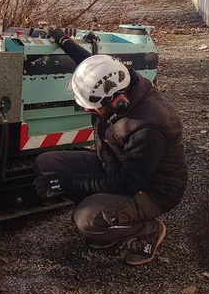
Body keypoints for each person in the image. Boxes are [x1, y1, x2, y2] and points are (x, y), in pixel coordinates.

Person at [33, 28, 187, 265]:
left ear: (116, 103)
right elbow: (93, 68)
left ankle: (146, 228)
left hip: (152, 190)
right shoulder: (120, 80)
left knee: (87, 218)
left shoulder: (148, 126)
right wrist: (62, 39)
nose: (87, 110)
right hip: (114, 163)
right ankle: (110, 217)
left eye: (91, 108)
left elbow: (128, 182)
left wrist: (69, 183)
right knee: (47, 165)